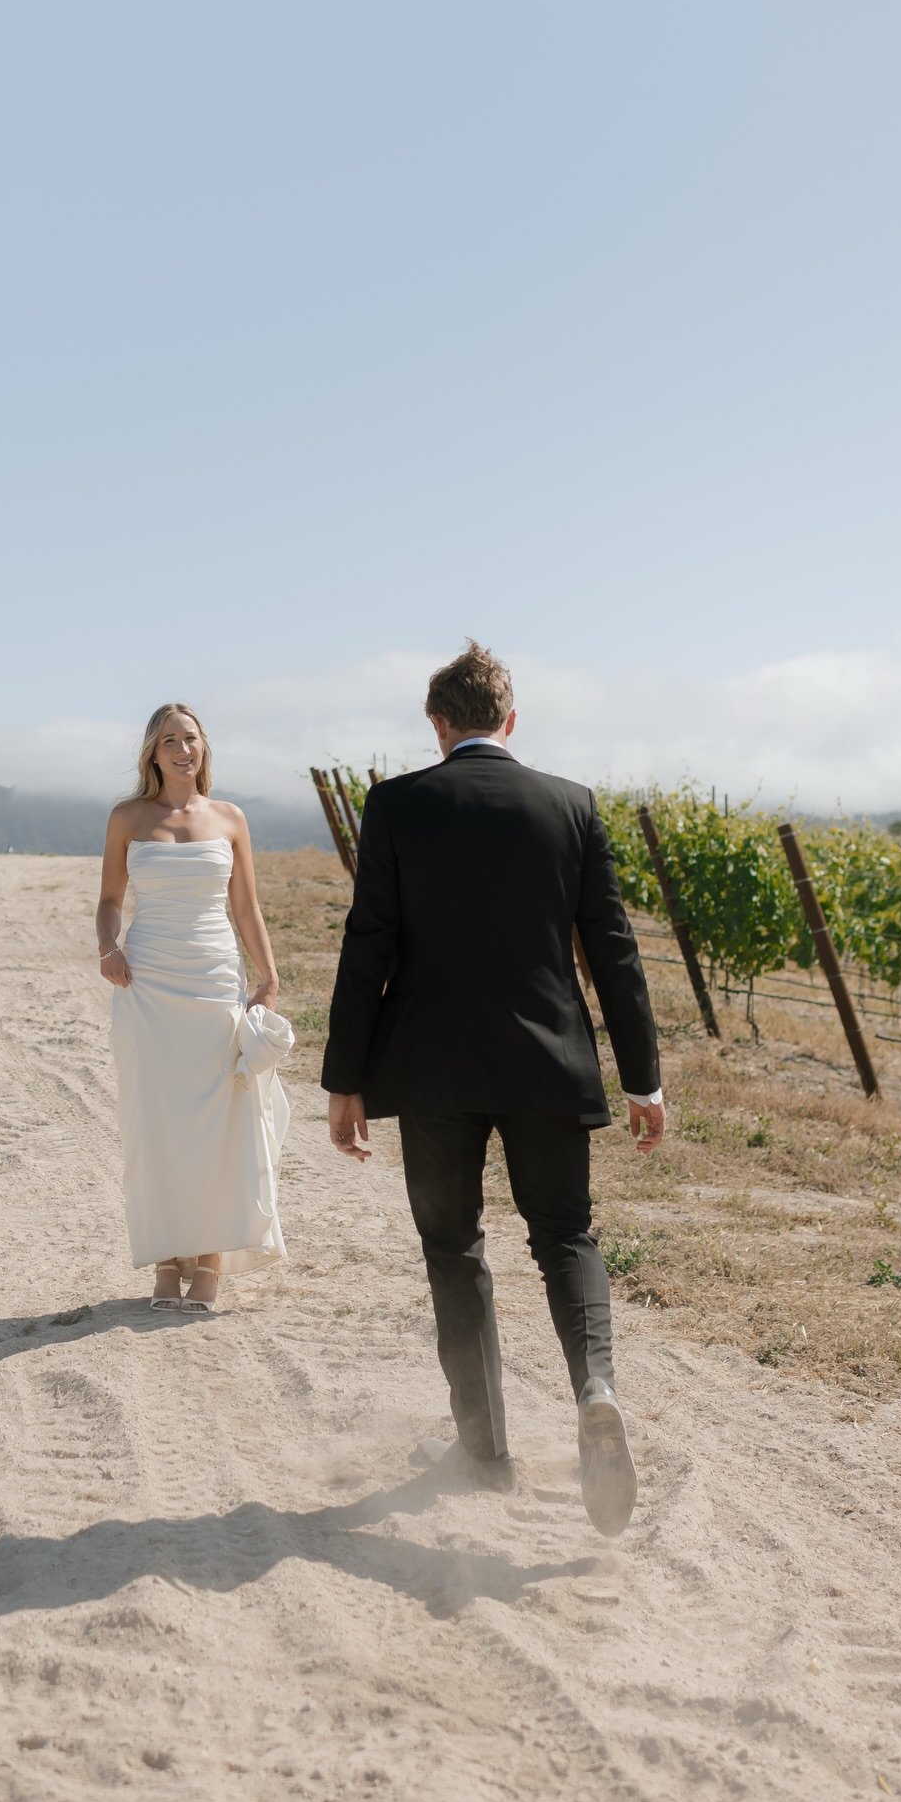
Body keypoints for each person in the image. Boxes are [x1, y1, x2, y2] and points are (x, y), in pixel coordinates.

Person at [320, 641, 664, 1535]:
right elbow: (614, 953)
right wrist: (644, 1079)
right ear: (511, 720)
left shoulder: (396, 804)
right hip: (548, 1064)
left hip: (432, 1071)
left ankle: (485, 1451)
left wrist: (345, 1080)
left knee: (455, 1247)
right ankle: (595, 1387)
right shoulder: (571, 807)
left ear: (438, 725)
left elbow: (369, 948)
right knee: (565, 1235)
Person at [97, 703, 291, 1313]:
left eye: (192, 739)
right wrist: (108, 947)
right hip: (148, 984)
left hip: (212, 983)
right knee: (157, 1123)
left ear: (204, 747)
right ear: (152, 753)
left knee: (217, 1123)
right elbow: (108, 899)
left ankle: (208, 1265)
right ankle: (164, 1260)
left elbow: (246, 909)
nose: (183, 749)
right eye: (170, 741)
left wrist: (269, 975)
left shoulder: (230, 819)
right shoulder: (127, 818)